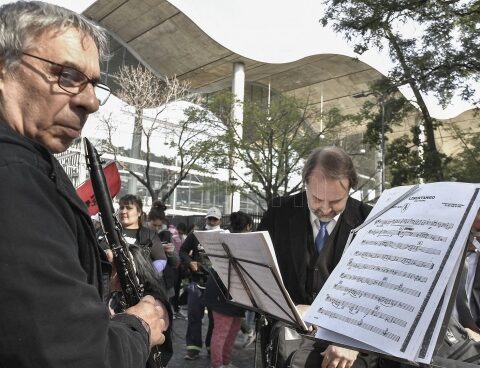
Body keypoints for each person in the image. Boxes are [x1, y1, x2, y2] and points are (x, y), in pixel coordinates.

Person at [0, 2, 169, 366]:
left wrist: (88, 274)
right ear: (4, 68)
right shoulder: (13, 175)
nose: (91, 102)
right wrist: (140, 325)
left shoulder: (29, 160)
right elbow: (75, 356)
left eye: (93, 84)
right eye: (67, 75)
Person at [257, 146, 373, 368]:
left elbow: (377, 290)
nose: (326, 209)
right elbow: (260, 275)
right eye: (317, 198)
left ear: (350, 188)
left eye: (337, 200)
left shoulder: (369, 219)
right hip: (286, 345)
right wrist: (290, 307)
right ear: (306, 184)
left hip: (346, 351)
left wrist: (351, 336)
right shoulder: (279, 211)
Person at [204, 211, 253, 368]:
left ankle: (225, 361)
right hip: (221, 292)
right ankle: (217, 364)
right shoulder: (227, 239)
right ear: (248, 226)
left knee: (233, 330)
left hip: (234, 293)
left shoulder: (228, 237)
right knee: (222, 331)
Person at [180, 207, 223, 360]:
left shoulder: (224, 235)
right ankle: (193, 349)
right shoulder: (195, 234)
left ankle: (213, 347)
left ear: (220, 220)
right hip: (196, 282)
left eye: (215, 219)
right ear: (206, 219)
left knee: (215, 319)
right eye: (210, 218)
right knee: (194, 316)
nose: (212, 221)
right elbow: (183, 251)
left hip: (216, 284)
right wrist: (190, 261)